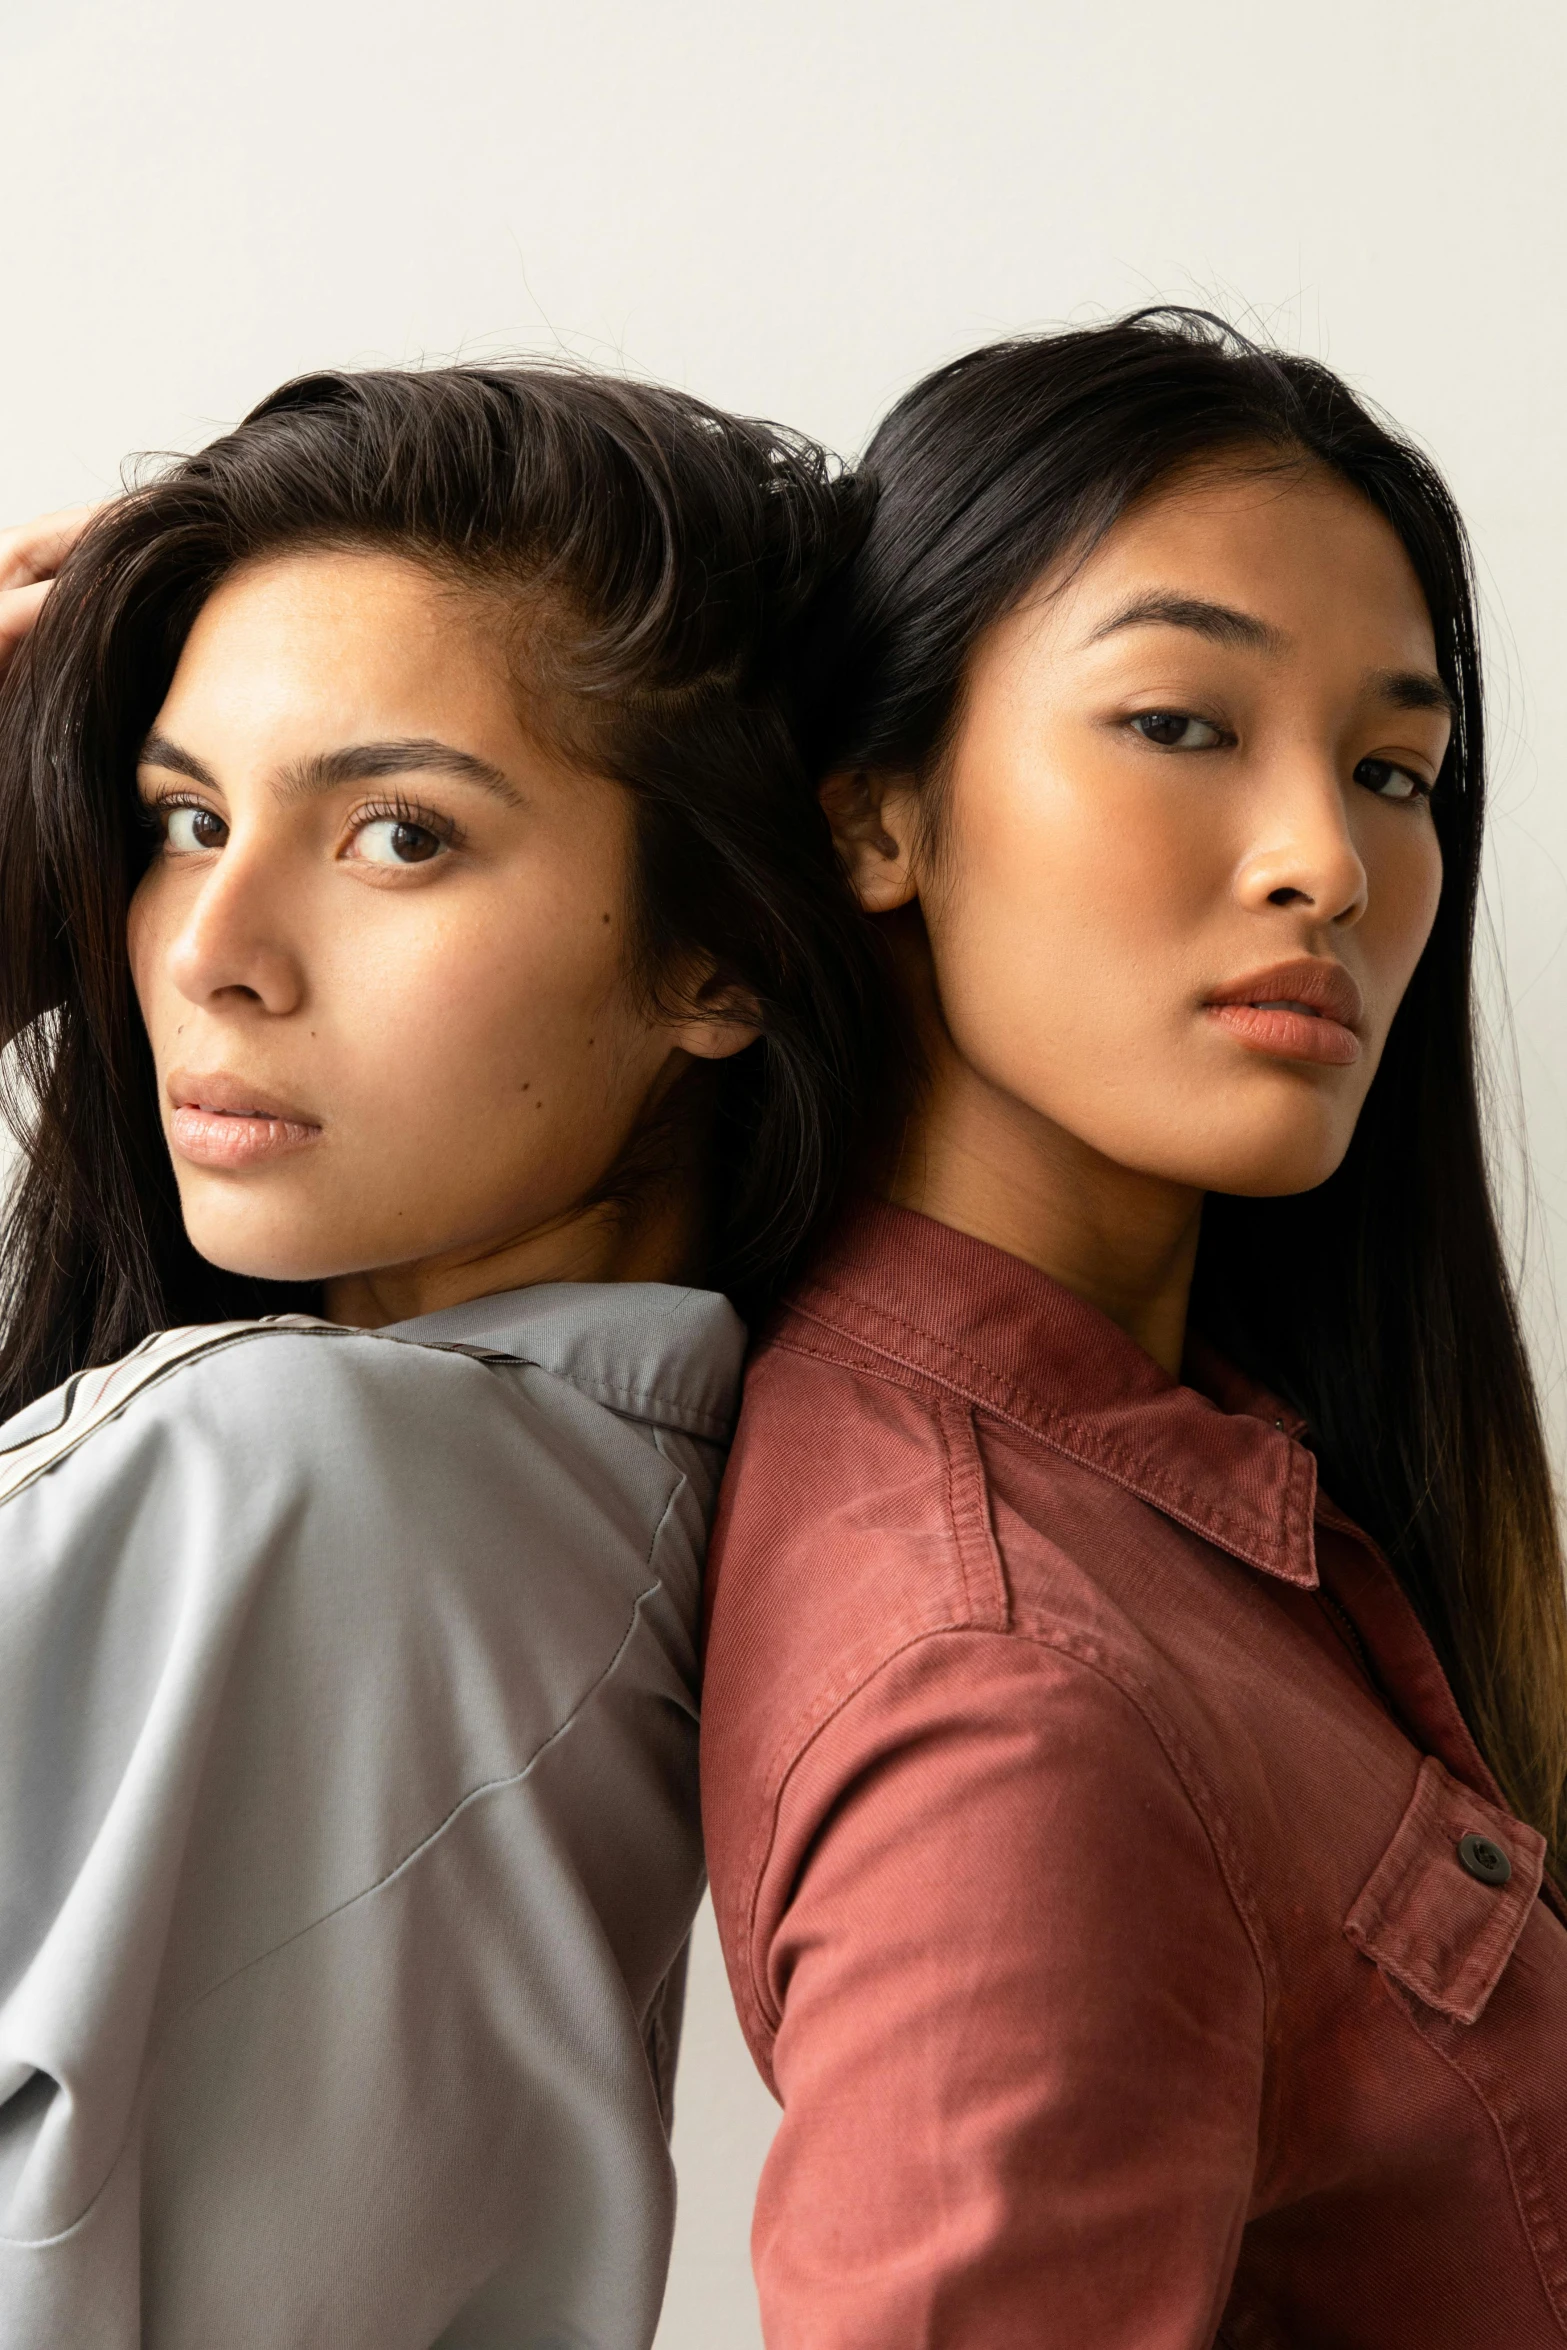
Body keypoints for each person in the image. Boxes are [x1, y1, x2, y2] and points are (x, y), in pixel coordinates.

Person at [700, 312, 1567, 2347]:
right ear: (875, 817)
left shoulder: (1211, 1486)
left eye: (1395, 768)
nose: (1330, 861)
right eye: (1182, 721)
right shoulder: (1007, 1685)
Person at [0, 365, 888, 2348]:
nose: (212, 943)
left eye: (400, 833)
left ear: (722, 952)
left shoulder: (270, 1474)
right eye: (182, 816)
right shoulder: (643, 1510)